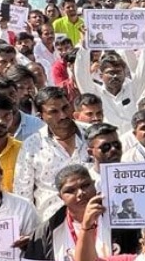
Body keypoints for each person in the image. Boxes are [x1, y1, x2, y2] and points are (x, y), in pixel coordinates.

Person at [14, 87, 90, 220]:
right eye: (54, 112)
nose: (63, 115)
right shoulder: (32, 145)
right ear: (40, 116)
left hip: (96, 216)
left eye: (65, 107)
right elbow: (22, 193)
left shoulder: (93, 135)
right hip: (52, 222)